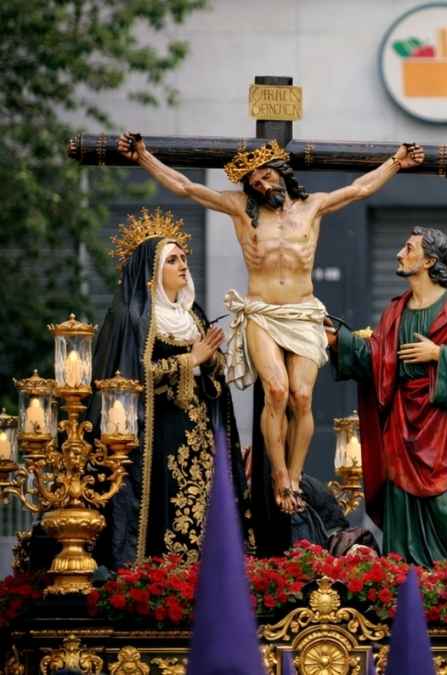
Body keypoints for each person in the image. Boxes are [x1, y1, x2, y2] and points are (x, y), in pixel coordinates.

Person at [115, 133, 423, 557]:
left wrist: (396, 163)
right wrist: (144, 157)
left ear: (280, 173)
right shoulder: (243, 211)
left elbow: (358, 189)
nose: (260, 185)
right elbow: (187, 187)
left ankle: (295, 476)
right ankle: (279, 475)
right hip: (261, 312)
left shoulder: (311, 206)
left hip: (303, 312)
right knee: (275, 390)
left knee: (301, 396)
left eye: (264, 175)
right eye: (253, 181)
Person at [326, 226, 447, 566]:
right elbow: (378, 361)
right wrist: (340, 341)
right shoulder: (395, 311)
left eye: (408, 249)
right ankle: (405, 585)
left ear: (430, 261)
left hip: (446, 431)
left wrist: (441, 355)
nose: (399, 253)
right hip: (401, 430)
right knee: (403, 513)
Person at [91, 209, 245, 567]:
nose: (182, 265)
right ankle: (156, 579)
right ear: (151, 272)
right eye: (172, 260)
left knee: (202, 509)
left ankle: (201, 577)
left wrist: (210, 360)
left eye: (184, 259)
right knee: (163, 505)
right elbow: (125, 380)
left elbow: (214, 371)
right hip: (155, 435)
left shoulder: (193, 316)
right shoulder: (132, 317)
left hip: (199, 436)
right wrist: (190, 360)